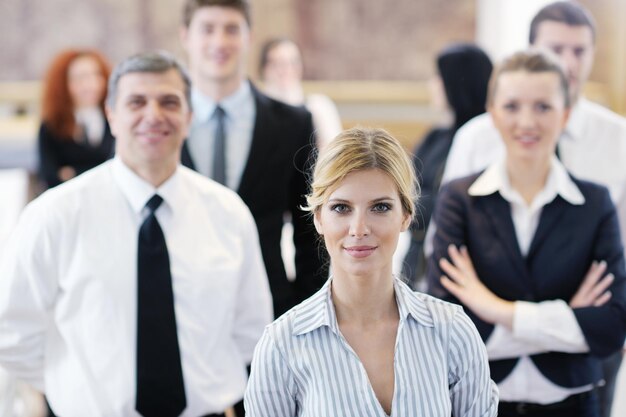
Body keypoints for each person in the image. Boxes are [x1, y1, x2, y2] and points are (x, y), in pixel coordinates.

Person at [0, 51, 273, 417]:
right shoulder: (55, 214)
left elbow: (251, 332)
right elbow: (12, 330)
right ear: (112, 115)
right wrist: (74, 384)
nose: (153, 115)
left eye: (169, 102)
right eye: (136, 102)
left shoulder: (228, 214)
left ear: (189, 117)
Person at [435, 4, 626, 415]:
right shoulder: (461, 194)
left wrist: (493, 309)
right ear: (493, 112)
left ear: (565, 113)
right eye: (512, 106)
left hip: (573, 398)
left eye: (543, 107)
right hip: (478, 395)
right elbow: (445, 319)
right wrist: (569, 322)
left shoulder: (594, 200)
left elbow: (610, 324)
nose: (527, 122)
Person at [245, 127, 499, 417]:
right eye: (341, 208)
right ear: (318, 218)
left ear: (406, 215)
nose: (359, 229)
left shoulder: (452, 332)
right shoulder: (281, 345)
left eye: (380, 207)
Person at [179, 0, 327, 319]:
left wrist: (304, 309)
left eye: (231, 29)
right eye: (207, 29)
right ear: (185, 37)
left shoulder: (293, 123)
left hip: (268, 308)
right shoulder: (162, 124)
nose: (220, 42)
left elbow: (309, 226)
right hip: (180, 310)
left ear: (248, 37)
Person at [402, 43, 492, 288]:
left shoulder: (485, 141)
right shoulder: (434, 137)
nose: (433, 84)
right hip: (416, 261)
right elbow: (405, 191)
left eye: (438, 77)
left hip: (461, 269)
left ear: (458, 83)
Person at [38, 49, 115, 188]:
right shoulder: (52, 124)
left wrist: (73, 173)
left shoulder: (114, 119)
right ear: (63, 83)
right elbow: (49, 176)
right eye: (80, 78)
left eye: (96, 75)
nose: (90, 84)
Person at [258, 37, 343, 149]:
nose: (286, 69)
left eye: (293, 62)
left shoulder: (318, 107)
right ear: (264, 68)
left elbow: (333, 153)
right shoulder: (257, 111)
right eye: (277, 63)